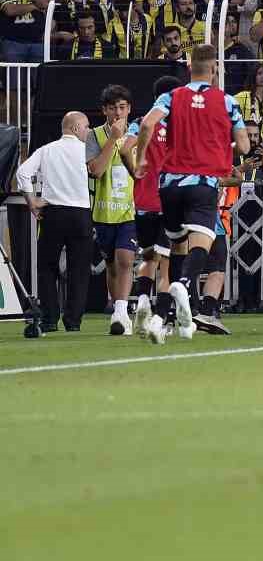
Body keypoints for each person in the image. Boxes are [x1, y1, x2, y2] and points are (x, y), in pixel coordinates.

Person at [134, 44, 251, 341]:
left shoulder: (171, 96)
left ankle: (164, 319)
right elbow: (245, 144)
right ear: (214, 69)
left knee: (177, 248)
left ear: (189, 67)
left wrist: (141, 158)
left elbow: (147, 123)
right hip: (203, 183)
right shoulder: (226, 102)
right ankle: (184, 286)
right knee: (203, 244)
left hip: (170, 185)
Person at [16, 113, 95, 334]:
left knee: (47, 267)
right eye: (87, 127)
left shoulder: (46, 150)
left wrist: (31, 201)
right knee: (79, 270)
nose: (89, 131)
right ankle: (73, 322)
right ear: (76, 127)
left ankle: (50, 319)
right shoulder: (88, 152)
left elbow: (22, 173)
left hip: (53, 214)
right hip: (81, 215)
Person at [128, 75, 183, 340]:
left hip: (142, 201)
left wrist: (136, 168)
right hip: (168, 199)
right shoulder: (178, 125)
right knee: (166, 264)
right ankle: (160, 320)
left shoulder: (139, 123)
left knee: (148, 257)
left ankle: (141, 301)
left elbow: (125, 148)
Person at [86, 85, 140, 336]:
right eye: (112, 108)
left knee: (125, 259)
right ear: (104, 110)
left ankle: (121, 311)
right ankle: (116, 305)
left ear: (129, 108)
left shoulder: (139, 134)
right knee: (111, 264)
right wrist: (112, 139)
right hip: (103, 211)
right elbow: (95, 170)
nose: (117, 112)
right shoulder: (94, 136)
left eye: (122, 107)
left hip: (130, 210)